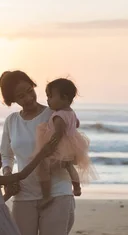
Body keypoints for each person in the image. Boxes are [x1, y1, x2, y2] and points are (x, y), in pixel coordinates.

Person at [0, 70, 76, 235]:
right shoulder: (11, 121)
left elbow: (71, 144)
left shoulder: (53, 113)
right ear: (12, 99)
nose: (28, 98)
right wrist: (8, 175)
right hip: (23, 195)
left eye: (29, 90)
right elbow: (6, 156)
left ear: (34, 87)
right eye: (20, 95)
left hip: (57, 193)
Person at [33, 78, 96, 207]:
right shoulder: (71, 113)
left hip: (60, 147)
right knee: (69, 166)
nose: (48, 100)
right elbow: (76, 124)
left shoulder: (59, 115)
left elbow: (58, 133)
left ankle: (46, 196)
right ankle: (77, 187)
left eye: (50, 96)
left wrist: (50, 147)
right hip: (72, 146)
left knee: (43, 167)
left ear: (64, 97)